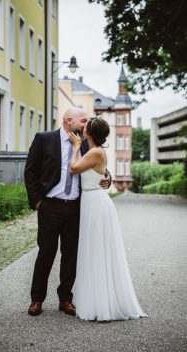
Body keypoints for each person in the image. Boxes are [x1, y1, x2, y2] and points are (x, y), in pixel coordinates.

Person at [24, 108, 111, 316]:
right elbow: (30, 171)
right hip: (50, 206)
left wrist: (109, 177)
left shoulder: (87, 142)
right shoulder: (44, 139)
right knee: (46, 252)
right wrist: (37, 202)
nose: (86, 124)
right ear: (68, 120)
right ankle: (36, 300)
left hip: (76, 207)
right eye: (83, 120)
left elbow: (100, 166)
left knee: (70, 254)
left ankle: (65, 299)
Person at [68, 117, 147, 321]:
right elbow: (99, 173)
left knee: (97, 250)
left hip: (95, 203)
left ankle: (102, 304)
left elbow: (74, 168)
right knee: (96, 250)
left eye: (86, 127)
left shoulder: (94, 151)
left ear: (89, 134)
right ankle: (99, 300)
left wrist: (76, 147)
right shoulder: (98, 151)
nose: (82, 128)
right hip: (92, 201)